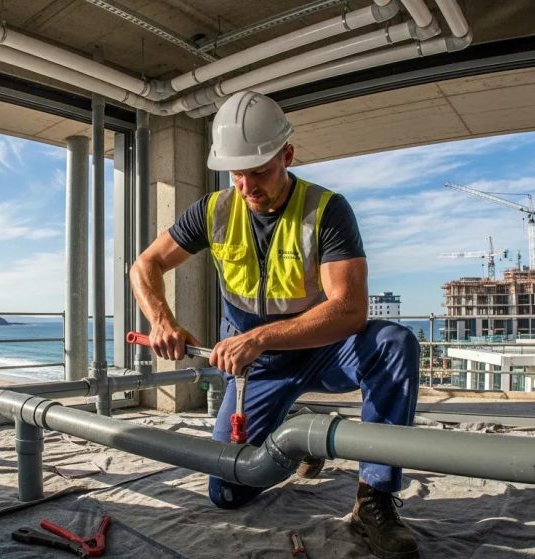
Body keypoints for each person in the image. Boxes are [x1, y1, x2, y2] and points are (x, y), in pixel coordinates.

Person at [129, 91, 420, 559]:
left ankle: (375, 499)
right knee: (228, 492)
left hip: (323, 348)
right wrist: (162, 321)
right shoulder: (213, 210)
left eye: (259, 171)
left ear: (287, 154)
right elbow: (144, 266)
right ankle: (301, 430)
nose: (246, 186)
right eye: (236, 173)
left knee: (394, 343)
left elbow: (349, 309)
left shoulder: (326, 210)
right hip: (258, 371)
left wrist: (259, 337)